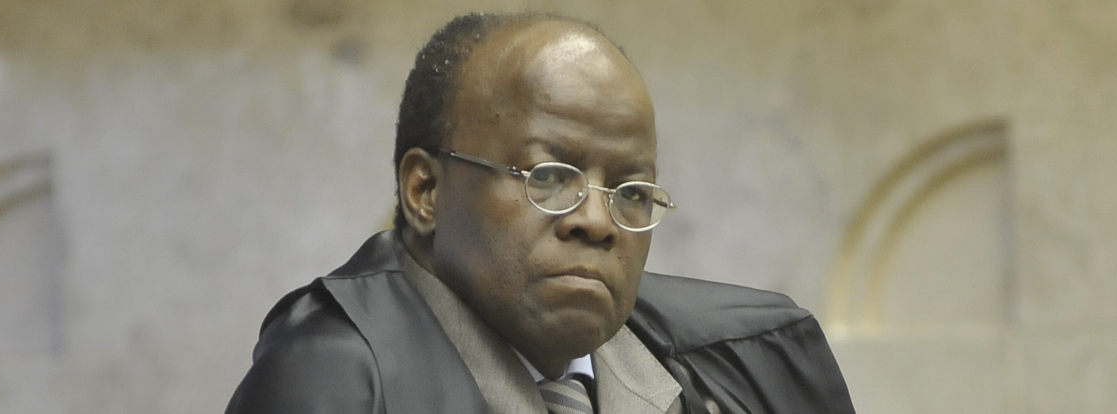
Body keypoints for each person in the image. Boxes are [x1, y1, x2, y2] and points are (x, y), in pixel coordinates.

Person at [226, 12, 854, 414]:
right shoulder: (336, 381)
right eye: (550, 178)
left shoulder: (748, 371)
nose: (598, 222)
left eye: (630, 192)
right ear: (425, 191)